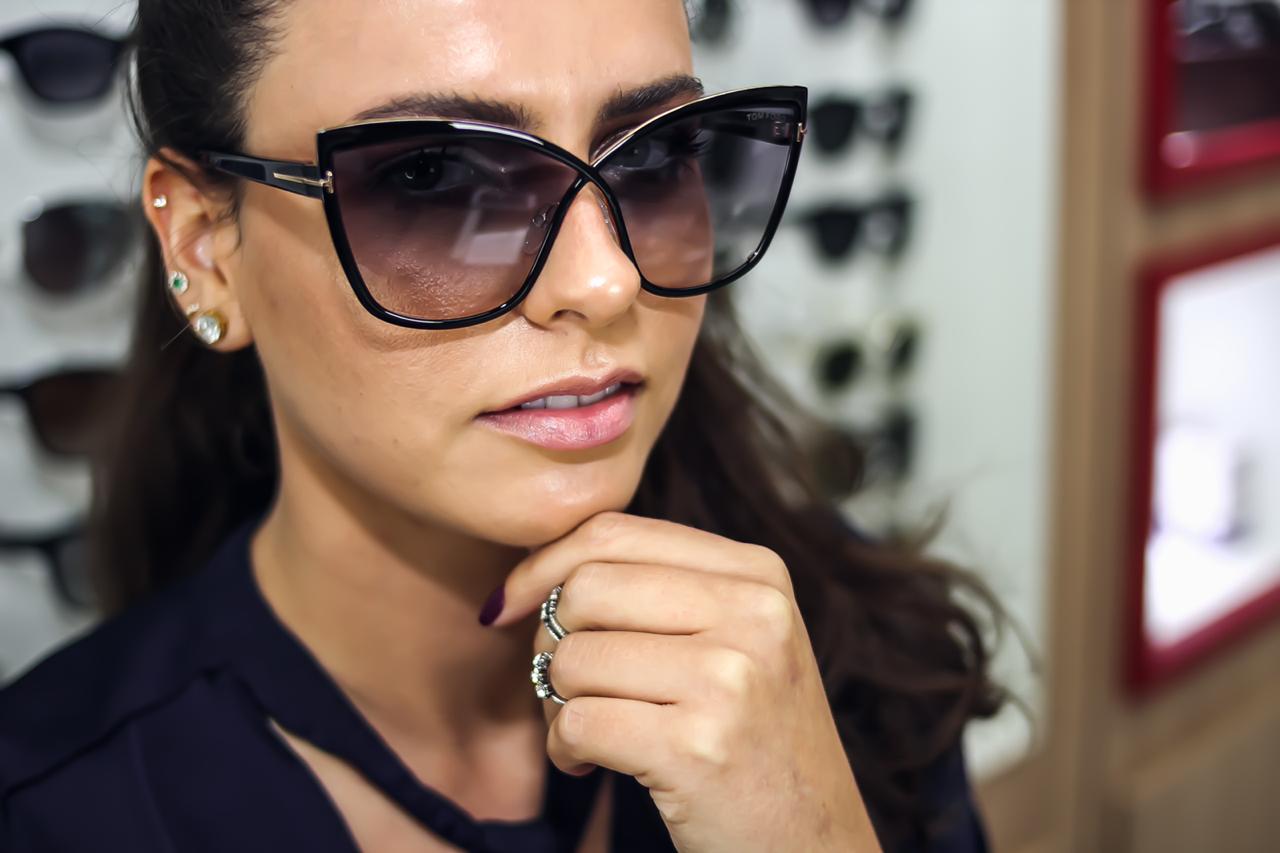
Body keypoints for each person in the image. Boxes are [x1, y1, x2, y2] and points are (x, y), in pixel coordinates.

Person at [0, 1, 1006, 850]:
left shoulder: (844, 661)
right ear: (204, 247)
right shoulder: (52, 806)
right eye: (432, 179)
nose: (603, 280)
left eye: (656, 155)